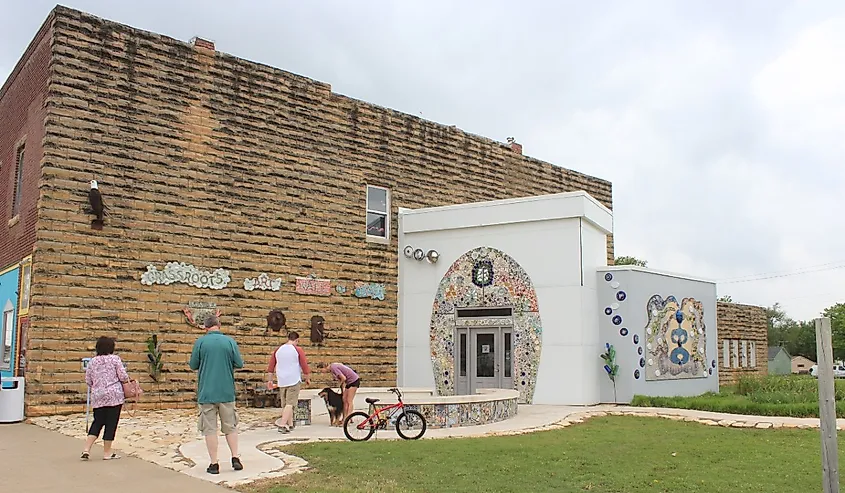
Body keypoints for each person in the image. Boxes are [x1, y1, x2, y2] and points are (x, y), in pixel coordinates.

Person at [189, 314, 245, 475]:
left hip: (207, 391)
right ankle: (235, 457)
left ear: (206, 327)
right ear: (219, 325)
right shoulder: (229, 342)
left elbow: (193, 365)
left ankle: (214, 463)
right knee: (230, 426)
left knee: (210, 429)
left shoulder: (200, 342)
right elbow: (239, 363)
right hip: (226, 390)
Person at [81, 336, 129, 461]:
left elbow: (88, 380)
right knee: (111, 424)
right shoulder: (115, 359)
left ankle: (86, 449)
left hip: (98, 396)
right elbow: (123, 376)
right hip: (114, 396)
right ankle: (107, 452)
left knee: (97, 422)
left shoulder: (92, 362)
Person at [266, 331, 311, 433]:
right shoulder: (297, 349)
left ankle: (290, 424)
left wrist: (270, 380)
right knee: (290, 403)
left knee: (286, 404)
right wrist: (307, 378)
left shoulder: (278, 350)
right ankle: (282, 424)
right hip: (294, 379)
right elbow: (304, 366)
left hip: (282, 380)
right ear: (296, 340)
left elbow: (271, 367)